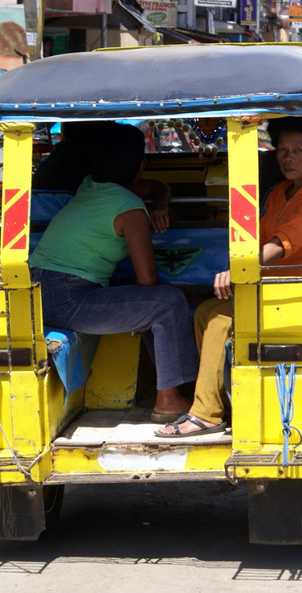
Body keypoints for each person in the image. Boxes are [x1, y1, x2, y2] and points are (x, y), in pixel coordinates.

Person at [154, 113, 302, 438]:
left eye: (298, 150)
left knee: (220, 321)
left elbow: (282, 243)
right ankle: (221, 400)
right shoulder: (279, 191)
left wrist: (239, 270)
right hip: (271, 289)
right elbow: (256, 236)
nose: (288, 157)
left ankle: (205, 414)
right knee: (204, 312)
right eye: (282, 149)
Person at [29, 124, 198, 423]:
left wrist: (160, 204)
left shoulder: (91, 185)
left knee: (153, 307)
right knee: (167, 303)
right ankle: (169, 399)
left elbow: (157, 186)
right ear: (140, 165)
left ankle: (169, 386)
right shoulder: (129, 209)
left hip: (40, 292)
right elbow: (148, 281)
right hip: (68, 298)